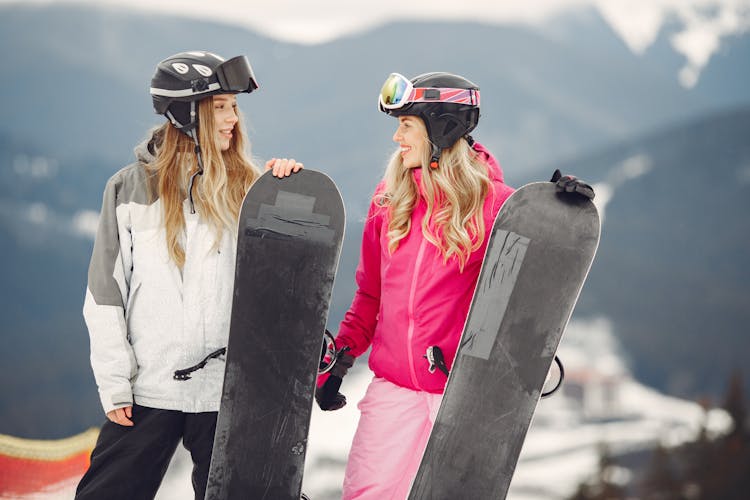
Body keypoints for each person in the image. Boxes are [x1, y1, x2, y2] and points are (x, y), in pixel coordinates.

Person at [315, 71, 594, 499]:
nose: (397, 138)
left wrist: (556, 214)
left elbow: (529, 304)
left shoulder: (499, 208)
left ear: (440, 129)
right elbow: (370, 295)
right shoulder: (388, 201)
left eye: (406, 125)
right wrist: (342, 358)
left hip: (461, 398)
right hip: (394, 392)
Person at [76, 51, 302, 500]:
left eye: (234, 107)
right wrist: (116, 383)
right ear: (186, 112)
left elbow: (279, 285)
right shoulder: (128, 189)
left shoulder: (250, 188)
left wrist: (286, 189)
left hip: (225, 394)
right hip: (150, 388)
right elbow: (105, 295)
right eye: (221, 107)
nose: (233, 119)